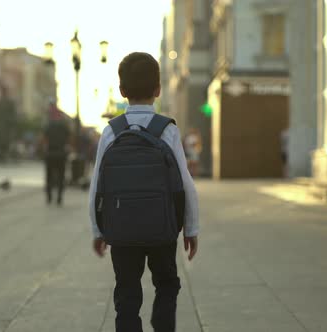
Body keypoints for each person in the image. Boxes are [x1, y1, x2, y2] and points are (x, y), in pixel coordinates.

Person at [88, 52, 200, 332]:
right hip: (162, 228)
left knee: (126, 293)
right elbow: (185, 182)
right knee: (166, 284)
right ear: (158, 89)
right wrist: (191, 228)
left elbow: (97, 186)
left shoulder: (111, 132)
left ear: (122, 90)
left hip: (122, 230)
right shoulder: (167, 130)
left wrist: (97, 230)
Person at [41, 100, 70, 206]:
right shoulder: (63, 123)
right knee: (61, 175)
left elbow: (44, 138)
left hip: (50, 153)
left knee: (49, 175)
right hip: (61, 153)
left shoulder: (48, 123)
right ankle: (59, 197)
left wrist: (45, 148)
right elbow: (69, 137)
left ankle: (49, 196)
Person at [0, 83, 17, 164]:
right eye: (2, 91)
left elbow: (14, 114)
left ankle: (4, 155)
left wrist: (13, 125)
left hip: (7, 126)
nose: (3, 92)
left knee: (6, 141)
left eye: (4, 91)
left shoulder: (10, 102)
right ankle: (1, 155)